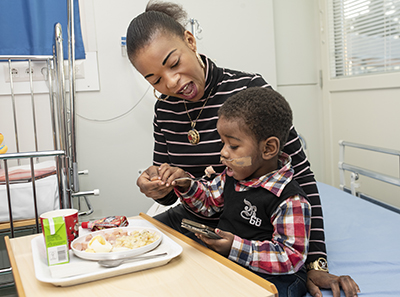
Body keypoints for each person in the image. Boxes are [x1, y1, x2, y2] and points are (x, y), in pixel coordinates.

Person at [126, 1, 360, 296]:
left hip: (247, 229)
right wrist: (161, 184)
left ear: (190, 40)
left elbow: (301, 178)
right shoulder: (164, 109)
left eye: (174, 64)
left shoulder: (249, 91)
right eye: (155, 80)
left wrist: (316, 263)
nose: (171, 82)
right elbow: (170, 188)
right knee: (133, 253)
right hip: (193, 219)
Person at [157, 87, 311, 297]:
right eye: (223, 143)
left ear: (268, 149)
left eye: (234, 145)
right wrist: (185, 184)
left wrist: (234, 248)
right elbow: (208, 202)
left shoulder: (289, 198)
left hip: (277, 278)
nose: (223, 152)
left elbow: (290, 257)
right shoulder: (232, 177)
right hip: (233, 264)